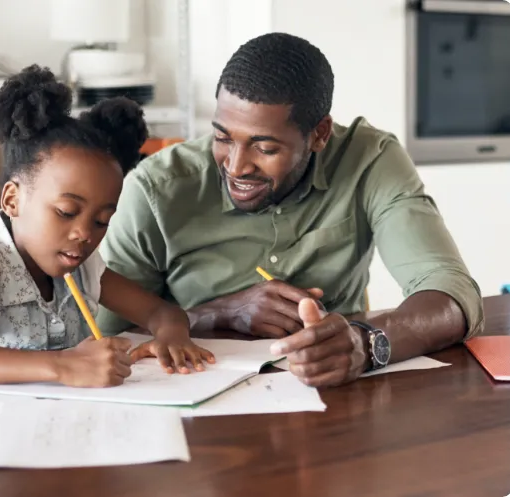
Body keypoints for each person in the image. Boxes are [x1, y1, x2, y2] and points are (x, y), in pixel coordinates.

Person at [96, 33, 483, 388]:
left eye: (265, 149)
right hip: (191, 400)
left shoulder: (369, 160)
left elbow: (452, 294)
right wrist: (221, 313)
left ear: (319, 134)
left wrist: (365, 344)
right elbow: (109, 337)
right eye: (222, 137)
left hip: (337, 399)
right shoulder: (155, 188)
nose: (235, 166)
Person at [0, 65, 214, 388]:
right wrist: (62, 366)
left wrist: (171, 337)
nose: (85, 234)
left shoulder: (83, 270)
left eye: (102, 221)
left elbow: (163, 313)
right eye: (66, 211)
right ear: (13, 200)